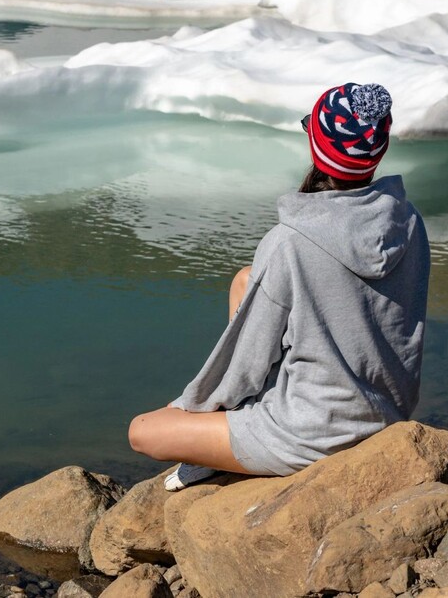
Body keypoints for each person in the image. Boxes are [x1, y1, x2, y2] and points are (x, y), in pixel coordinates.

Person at [127, 82, 430, 491]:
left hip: (314, 431)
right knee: (245, 280)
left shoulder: (289, 243)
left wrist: (191, 412)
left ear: (316, 148)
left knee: (144, 431)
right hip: (387, 410)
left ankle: (230, 456)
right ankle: (239, 435)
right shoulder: (407, 221)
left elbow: (240, 367)